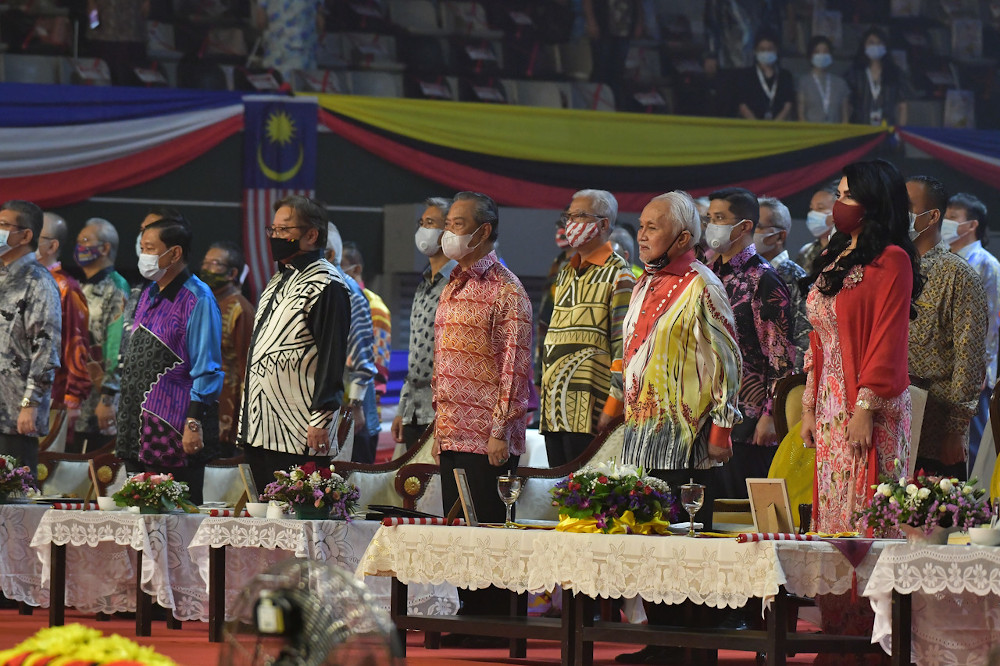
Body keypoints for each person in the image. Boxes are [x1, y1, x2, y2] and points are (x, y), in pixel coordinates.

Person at [801, 160, 922, 664]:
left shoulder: (891, 259)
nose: (839, 201)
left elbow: (888, 337)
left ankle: (872, 638)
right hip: (829, 406)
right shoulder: (835, 255)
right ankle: (836, 630)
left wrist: (867, 406)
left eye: (848, 194)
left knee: (864, 516)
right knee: (832, 517)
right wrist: (809, 406)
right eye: (839, 191)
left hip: (869, 406)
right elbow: (818, 337)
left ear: (872, 202)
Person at [614, 191, 741, 665]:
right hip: (641, 434)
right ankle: (662, 641)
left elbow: (729, 362)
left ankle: (693, 647)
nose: (642, 233)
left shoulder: (702, 284)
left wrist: (722, 428)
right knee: (649, 540)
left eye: (654, 226)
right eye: (641, 224)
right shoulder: (643, 283)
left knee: (685, 546)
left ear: (684, 236)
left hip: (685, 439)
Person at [434, 192, 531, 642]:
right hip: (452, 431)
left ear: (483, 231)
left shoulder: (507, 290)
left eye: (456, 224)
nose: (447, 232)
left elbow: (515, 369)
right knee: (463, 533)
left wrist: (499, 433)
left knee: (491, 530)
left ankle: (501, 623)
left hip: (487, 436)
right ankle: (472, 615)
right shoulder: (453, 282)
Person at [239, 197, 351, 494]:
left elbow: (332, 357)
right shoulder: (278, 279)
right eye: (272, 229)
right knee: (263, 524)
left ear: (311, 235)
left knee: (296, 521)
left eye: (283, 229)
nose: (275, 237)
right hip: (260, 425)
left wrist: (321, 420)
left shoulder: (327, 283)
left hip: (298, 428)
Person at [116, 217, 223, 505]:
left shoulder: (197, 298)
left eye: (150, 248)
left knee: (177, 524)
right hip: (136, 432)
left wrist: (193, 421)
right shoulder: (150, 292)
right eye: (142, 247)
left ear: (174, 253)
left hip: (174, 433)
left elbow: (208, 368)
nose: (143, 255)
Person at [708, 187, 794, 499]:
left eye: (720, 218)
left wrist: (771, 414)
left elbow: (780, 356)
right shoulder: (708, 274)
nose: (711, 225)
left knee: (740, 510)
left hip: (749, 420)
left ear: (745, 226)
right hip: (708, 411)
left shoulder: (763, 279)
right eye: (710, 218)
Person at [540, 189, 635, 467]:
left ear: (604, 225)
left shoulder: (620, 274)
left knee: (587, 501)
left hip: (591, 412)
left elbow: (624, 347)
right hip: (554, 408)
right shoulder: (566, 272)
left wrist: (613, 407)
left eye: (580, 216)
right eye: (569, 216)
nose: (570, 222)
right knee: (559, 496)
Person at [906, 176, 987, 480]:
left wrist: (956, 430)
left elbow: (970, 358)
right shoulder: (887, 268)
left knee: (930, 522)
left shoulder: (959, 275)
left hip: (935, 428)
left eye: (909, 206)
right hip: (888, 425)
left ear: (933, 216)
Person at [106, 207, 183, 472]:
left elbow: (203, 366)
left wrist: (194, 420)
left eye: (150, 236)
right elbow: (125, 352)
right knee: (132, 502)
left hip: (167, 421)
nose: (142, 239)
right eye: (141, 233)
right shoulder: (144, 291)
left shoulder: (194, 297)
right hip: (131, 418)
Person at [0, 201, 61, 483]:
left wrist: (30, 403)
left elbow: (46, 347)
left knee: (13, 499)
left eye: (3, 225)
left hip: (16, 416)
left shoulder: (38, 280)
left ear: (25, 235)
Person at [391, 198, 457, 450]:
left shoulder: (457, 283)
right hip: (414, 411)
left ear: (448, 231)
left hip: (442, 413)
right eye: (421, 223)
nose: (423, 229)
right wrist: (402, 409)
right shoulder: (422, 286)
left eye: (431, 223)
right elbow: (415, 353)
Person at [945, 193, 999, 460]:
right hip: (946, 369)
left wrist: (981, 369)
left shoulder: (987, 265)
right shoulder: (946, 259)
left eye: (953, 218)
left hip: (974, 373)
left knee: (972, 447)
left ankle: (971, 502)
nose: (945, 223)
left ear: (972, 225)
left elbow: (992, 322)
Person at [74, 218, 129, 455]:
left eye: (86, 241)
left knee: (96, 469)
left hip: (100, 400)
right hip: (77, 397)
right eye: (78, 242)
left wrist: (108, 397)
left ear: (105, 248)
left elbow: (118, 347)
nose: (79, 247)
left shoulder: (116, 288)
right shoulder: (80, 288)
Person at [37, 213, 92, 451]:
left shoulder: (65, 288)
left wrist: (73, 399)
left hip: (51, 396)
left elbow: (76, 345)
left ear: (52, 245)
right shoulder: (17, 280)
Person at [199, 241, 255, 455]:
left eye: (214, 263)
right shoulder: (202, 302)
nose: (206, 268)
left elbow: (246, 367)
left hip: (226, 409)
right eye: (205, 262)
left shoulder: (240, 309)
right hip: (197, 405)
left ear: (232, 272)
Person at [342, 241, 390, 463]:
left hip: (361, 411)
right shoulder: (338, 300)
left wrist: (358, 406)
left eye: (340, 265)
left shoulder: (374, 306)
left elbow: (378, 365)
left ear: (356, 269)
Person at [757, 197, 810, 370]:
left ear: (780, 236)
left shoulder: (796, 278)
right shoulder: (747, 275)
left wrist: (791, 389)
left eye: (758, 227)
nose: (749, 233)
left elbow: (804, 336)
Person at [846, 27, 909, 126]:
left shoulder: (895, 73)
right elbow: (847, 104)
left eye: (879, 43)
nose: (875, 46)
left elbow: (902, 105)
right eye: (871, 43)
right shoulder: (855, 73)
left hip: (886, 129)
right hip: (859, 129)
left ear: (885, 46)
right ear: (864, 46)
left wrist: (900, 134)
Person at [252, 0, 324, 81]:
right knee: (285, 80)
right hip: (288, 40)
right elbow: (261, 19)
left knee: (296, 81)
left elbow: (260, 20)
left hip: (295, 41)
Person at [734, 31, 795, 121]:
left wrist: (774, 127)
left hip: (778, 128)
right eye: (762, 50)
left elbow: (787, 105)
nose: (766, 52)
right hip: (753, 128)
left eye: (770, 49)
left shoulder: (785, 76)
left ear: (776, 50)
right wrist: (759, 127)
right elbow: (743, 105)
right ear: (755, 51)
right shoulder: (746, 75)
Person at [798, 35, 850, 123]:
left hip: (836, 133)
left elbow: (845, 116)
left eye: (825, 51)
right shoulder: (804, 82)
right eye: (817, 52)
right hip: (812, 134)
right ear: (810, 56)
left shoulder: (841, 83)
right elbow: (801, 115)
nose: (821, 55)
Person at [796, 182, 838, 274]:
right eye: (811, 209)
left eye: (820, 208)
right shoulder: (806, 252)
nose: (813, 214)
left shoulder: (847, 249)